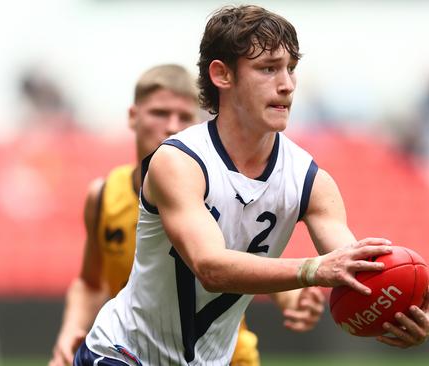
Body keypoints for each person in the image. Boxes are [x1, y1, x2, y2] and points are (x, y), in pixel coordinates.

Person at [77, 5, 429, 365]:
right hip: (121, 354)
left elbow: (351, 268)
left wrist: (398, 308)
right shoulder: (178, 161)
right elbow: (211, 267)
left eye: (291, 69)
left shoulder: (312, 181)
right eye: (268, 69)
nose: (287, 85)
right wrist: (313, 269)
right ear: (222, 75)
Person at [49, 64, 324, 366]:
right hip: (135, 352)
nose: (171, 126)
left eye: (183, 117)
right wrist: (70, 329)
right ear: (133, 116)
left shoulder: (218, 189)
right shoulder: (103, 197)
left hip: (228, 356)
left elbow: (253, 253)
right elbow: (90, 282)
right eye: (159, 113)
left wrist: (292, 298)